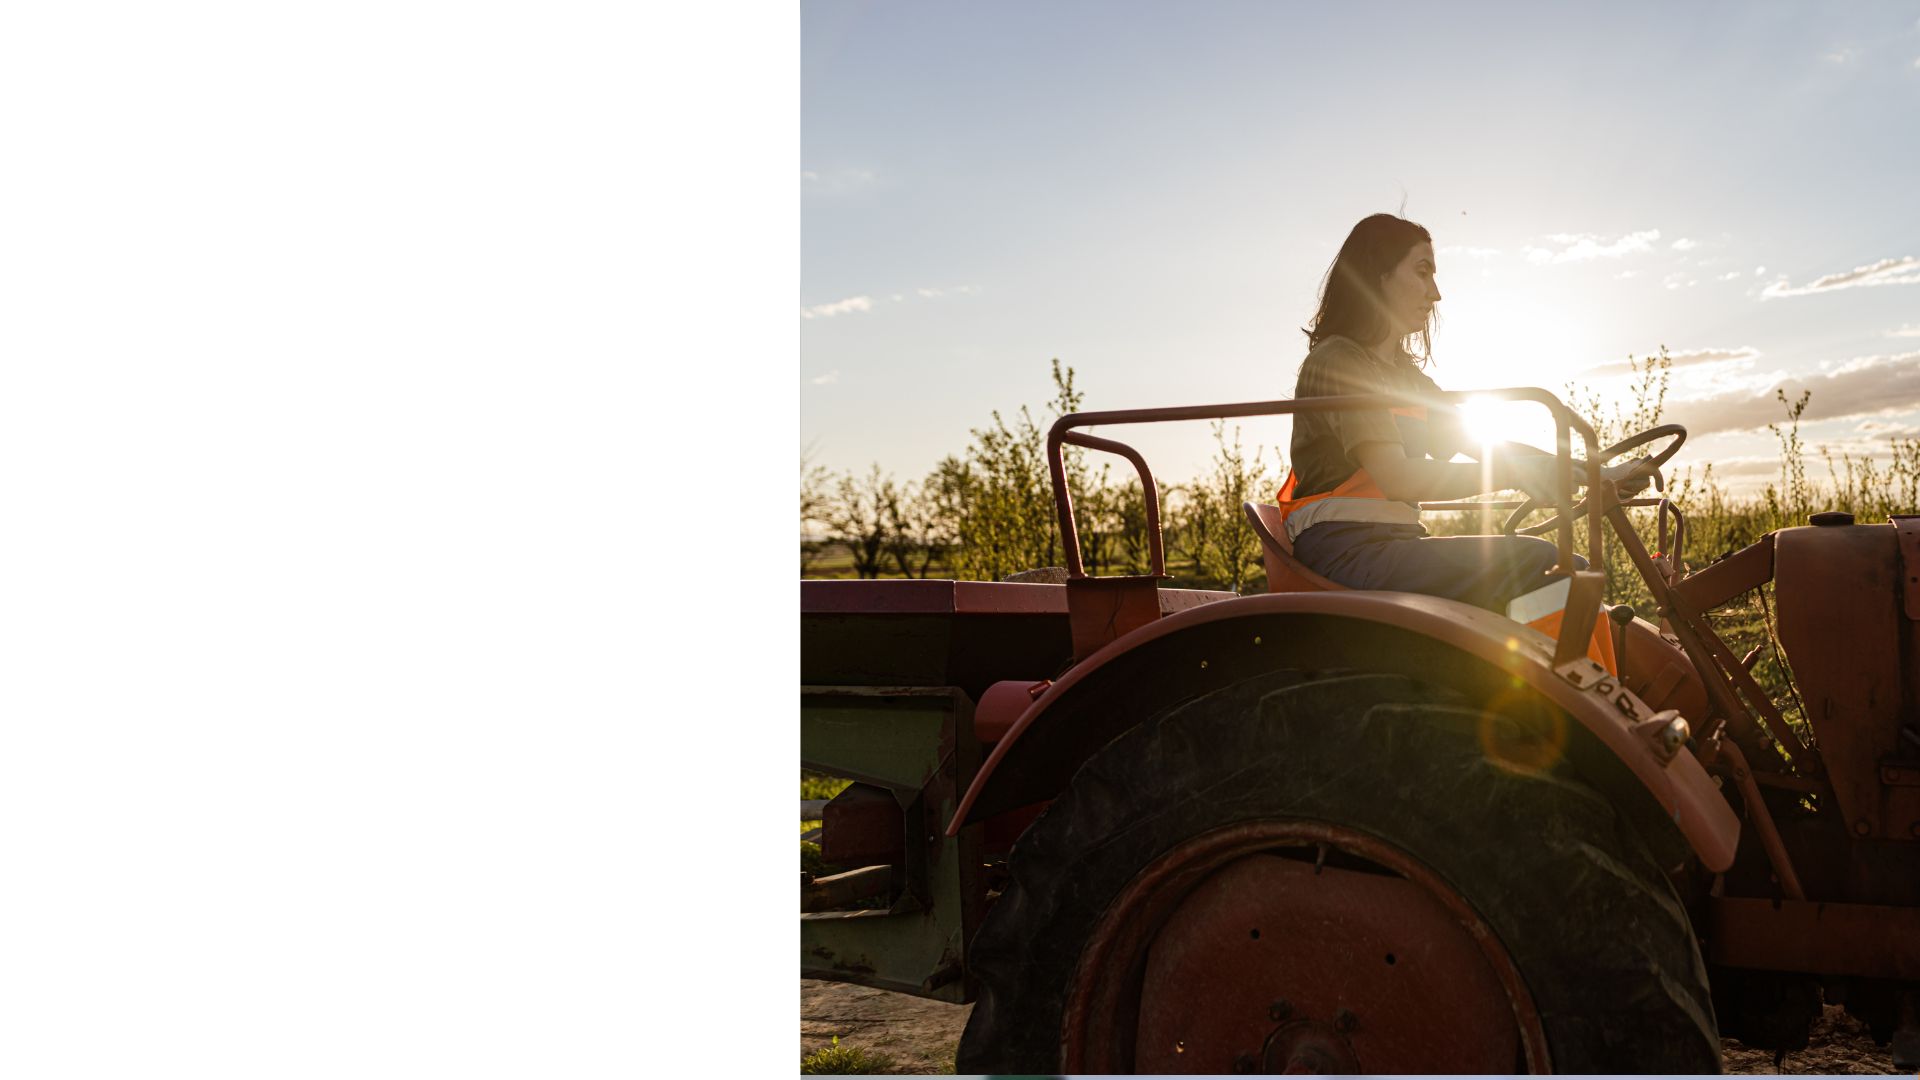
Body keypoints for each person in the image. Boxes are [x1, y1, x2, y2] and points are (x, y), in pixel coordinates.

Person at [1278, 213, 1642, 625]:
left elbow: (1484, 445)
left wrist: (1595, 472)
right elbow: (1399, 478)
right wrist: (1516, 474)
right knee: (1546, 567)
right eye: (1422, 272)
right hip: (1345, 551)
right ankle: (1541, 664)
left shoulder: (1408, 380)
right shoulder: (1339, 362)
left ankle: (1541, 659)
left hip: (1392, 543)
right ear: (1377, 274)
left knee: (1572, 573)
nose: (1435, 294)